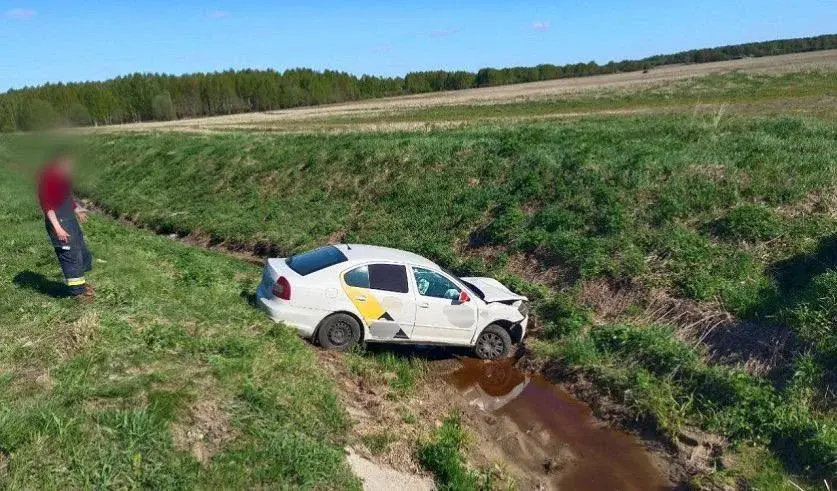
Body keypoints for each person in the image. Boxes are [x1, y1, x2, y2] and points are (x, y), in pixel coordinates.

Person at [37, 152, 94, 299]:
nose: (71, 167)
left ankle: (80, 285)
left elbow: (66, 198)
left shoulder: (62, 178)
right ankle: (77, 294)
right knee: (69, 255)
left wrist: (78, 210)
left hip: (69, 219)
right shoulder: (49, 179)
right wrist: (58, 229)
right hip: (59, 222)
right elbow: (48, 207)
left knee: (80, 251)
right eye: (69, 164)